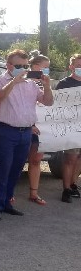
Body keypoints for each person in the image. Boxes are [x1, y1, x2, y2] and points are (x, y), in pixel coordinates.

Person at [0, 49, 54, 220]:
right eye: (19, 66)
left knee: (16, 169)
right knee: (3, 168)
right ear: (9, 65)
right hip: (6, 130)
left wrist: (47, 85)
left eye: (25, 66)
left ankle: (7, 203)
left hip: (25, 132)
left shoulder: (31, 84)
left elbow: (48, 102)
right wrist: (13, 82)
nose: (23, 69)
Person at [25, 52, 51, 205]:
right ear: (35, 66)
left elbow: (49, 103)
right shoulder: (23, 80)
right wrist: (30, 125)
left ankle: (34, 193)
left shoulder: (45, 83)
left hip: (42, 128)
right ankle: (9, 193)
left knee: (36, 160)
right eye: (45, 67)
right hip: (25, 126)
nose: (47, 70)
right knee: (18, 160)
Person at [55, 54, 81, 203]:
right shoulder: (64, 83)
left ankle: (73, 184)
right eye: (78, 65)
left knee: (79, 158)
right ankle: (66, 189)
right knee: (70, 158)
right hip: (71, 127)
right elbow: (56, 106)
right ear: (71, 66)